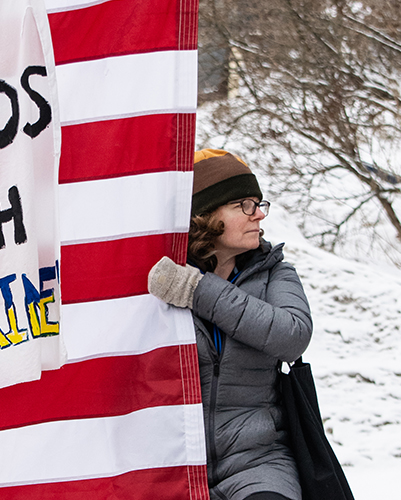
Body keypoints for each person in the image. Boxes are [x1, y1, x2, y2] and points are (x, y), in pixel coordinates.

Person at [148, 149, 312, 500]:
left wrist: (197, 290)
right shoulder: (161, 279)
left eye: (259, 203)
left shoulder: (274, 273)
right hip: (172, 466)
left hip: (260, 462)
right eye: (244, 205)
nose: (259, 215)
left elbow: (292, 335)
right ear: (205, 215)